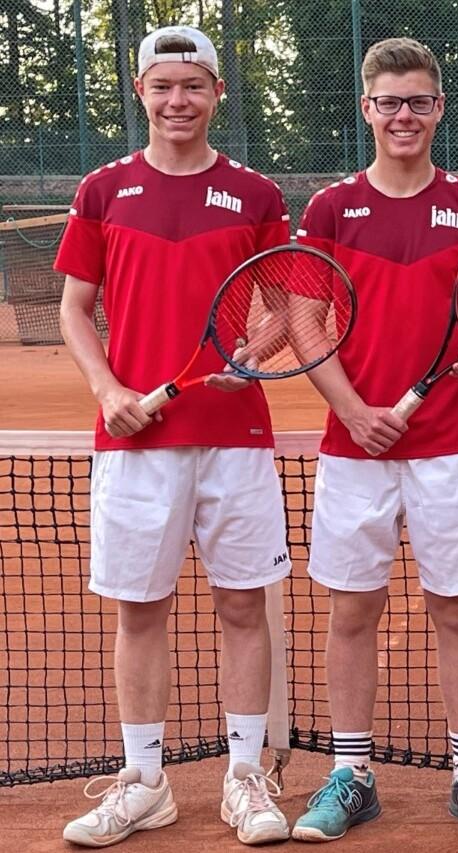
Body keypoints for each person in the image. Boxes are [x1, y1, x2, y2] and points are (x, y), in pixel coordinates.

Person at [56, 25, 292, 847]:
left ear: (217, 93)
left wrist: (251, 355)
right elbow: (74, 308)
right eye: (162, 85)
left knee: (242, 606)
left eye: (193, 85)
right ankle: (144, 782)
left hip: (235, 434)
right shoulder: (103, 189)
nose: (177, 100)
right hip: (134, 442)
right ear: (141, 93)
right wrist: (108, 389)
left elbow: (286, 310)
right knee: (140, 610)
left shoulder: (256, 194)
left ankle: (244, 776)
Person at [289, 37, 458, 842]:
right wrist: (354, 410)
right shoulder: (331, 208)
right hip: (354, 448)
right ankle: (351, 774)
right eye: (389, 102)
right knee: (353, 610)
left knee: (457, 609)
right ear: (367, 109)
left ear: (439, 108)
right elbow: (304, 320)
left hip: (449, 442)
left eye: (419, 101)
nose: (404, 115)